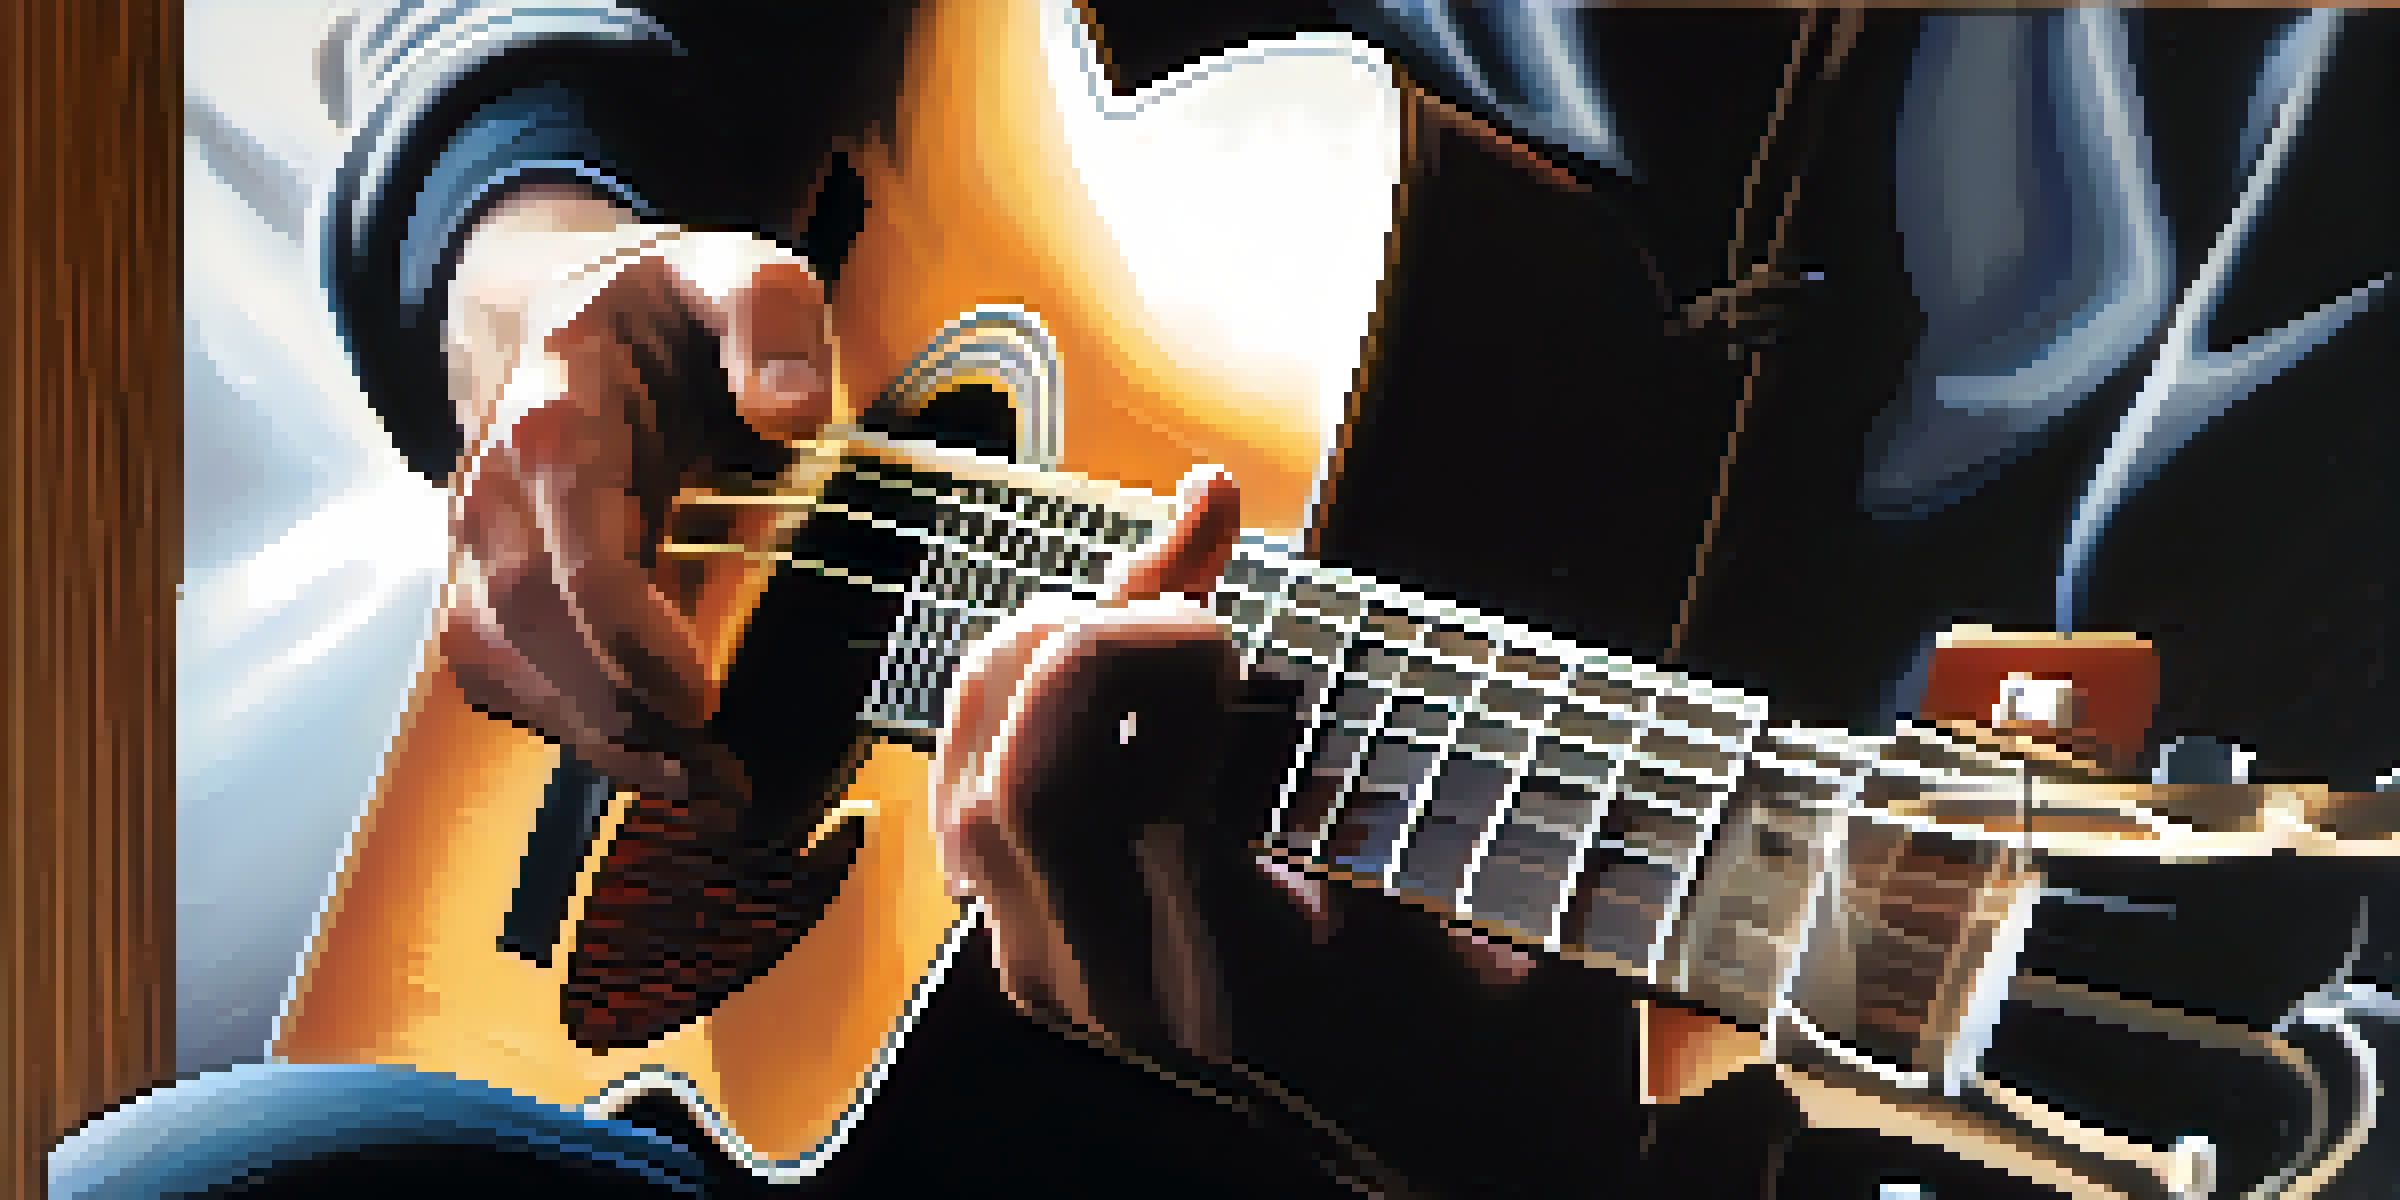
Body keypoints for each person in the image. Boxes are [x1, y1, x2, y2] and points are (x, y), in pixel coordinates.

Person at [62, 2, 2400, 1196]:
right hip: (759, 1046)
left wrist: (1497, 1150)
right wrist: (543, 276)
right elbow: (508, 48)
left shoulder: (2315, 150)